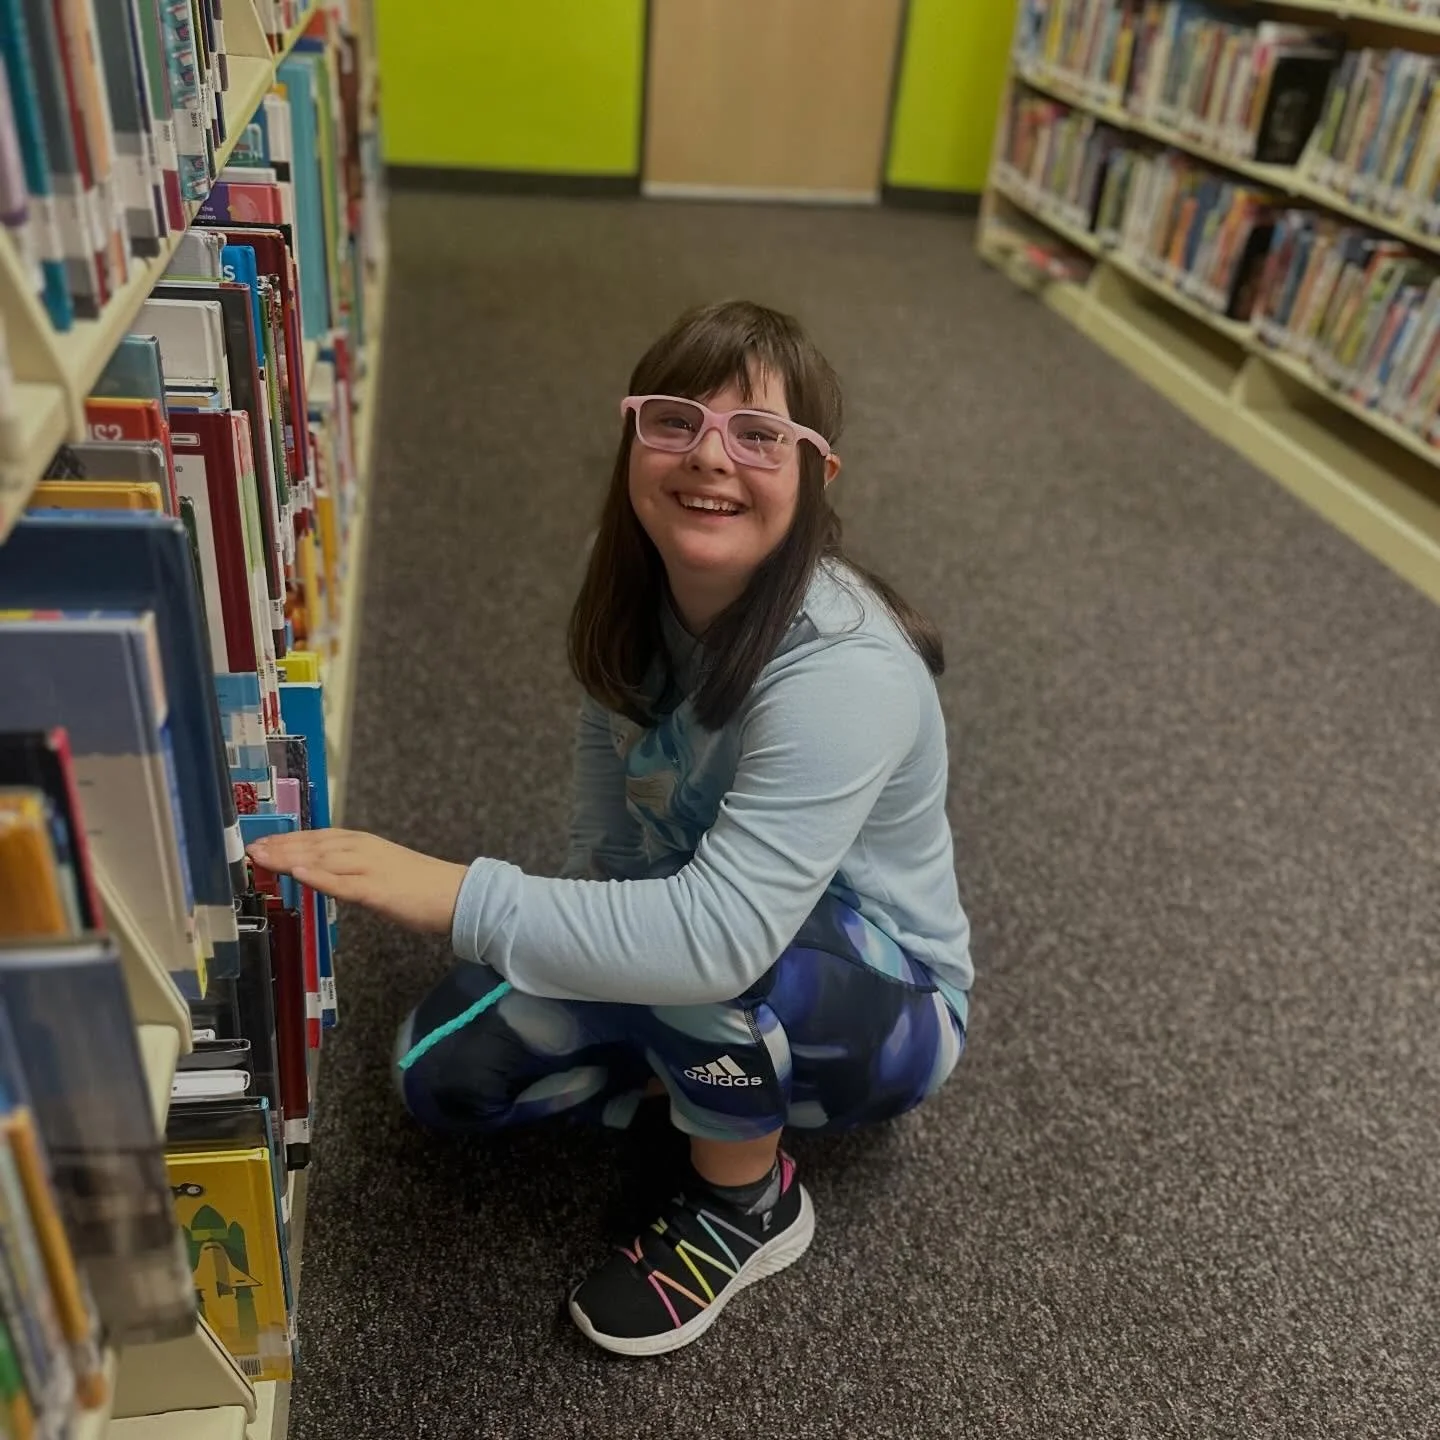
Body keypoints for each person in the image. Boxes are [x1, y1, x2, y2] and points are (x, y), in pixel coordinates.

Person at [246, 299, 974, 1358]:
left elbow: (718, 938)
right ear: (635, 439)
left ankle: (750, 1200)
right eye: (675, 420)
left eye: (760, 436)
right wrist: (589, 942)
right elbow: (612, 838)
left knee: (705, 965)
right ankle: (703, 1076)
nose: (708, 458)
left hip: (875, 989)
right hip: (701, 924)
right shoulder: (637, 578)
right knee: (438, 1076)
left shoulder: (846, 671)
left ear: (817, 477)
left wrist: (457, 896)